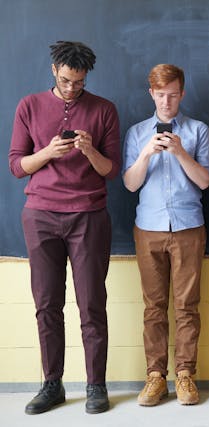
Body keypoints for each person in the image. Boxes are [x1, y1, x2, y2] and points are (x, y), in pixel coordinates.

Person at [8, 41, 120, 415]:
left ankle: (95, 385)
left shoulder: (103, 109)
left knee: (92, 303)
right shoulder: (29, 106)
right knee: (47, 305)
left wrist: (89, 151)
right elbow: (16, 165)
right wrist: (48, 154)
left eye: (80, 82)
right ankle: (51, 384)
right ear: (54, 69)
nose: (73, 88)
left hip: (88, 214)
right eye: (68, 80)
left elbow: (112, 171)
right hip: (40, 214)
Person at [122, 64, 209, 406]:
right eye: (160, 95)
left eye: (173, 94)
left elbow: (205, 181)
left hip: (189, 226)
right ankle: (155, 376)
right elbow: (130, 183)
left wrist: (179, 151)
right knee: (154, 306)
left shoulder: (197, 131)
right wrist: (147, 151)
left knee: (187, 306)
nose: (166, 101)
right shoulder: (136, 133)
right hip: (148, 227)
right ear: (151, 94)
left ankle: (186, 375)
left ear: (182, 93)